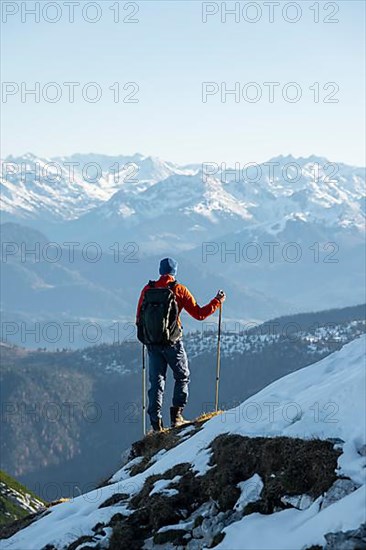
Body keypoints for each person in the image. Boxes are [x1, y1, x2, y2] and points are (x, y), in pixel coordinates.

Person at [136, 257, 226, 431]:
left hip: (152, 344)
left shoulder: (148, 289)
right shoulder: (179, 289)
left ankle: (156, 424)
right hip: (172, 344)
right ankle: (176, 416)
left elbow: (139, 318)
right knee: (182, 377)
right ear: (174, 271)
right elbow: (199, 314)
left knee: (156, 383)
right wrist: (217, 301)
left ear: (160, 271)